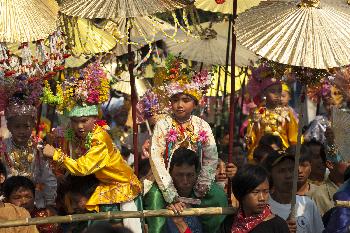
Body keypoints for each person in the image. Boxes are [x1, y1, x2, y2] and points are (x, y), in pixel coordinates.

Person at [42, 63, 142, 233]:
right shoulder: (72, 134)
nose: (79, 126)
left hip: (120, 188)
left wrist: (56, 154)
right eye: (75, 121)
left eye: (84, 120)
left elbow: (83, 167)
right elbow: (68, 159)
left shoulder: (100, 138)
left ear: (95, 118)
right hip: (96, 186)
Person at [148, 55, 227, 233]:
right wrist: (170, 193)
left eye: (185, 100)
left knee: (219, 196)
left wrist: (201, 186)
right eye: (175, 100)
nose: (179, 105)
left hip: (195, 180)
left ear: (195, 102)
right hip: (167, 181)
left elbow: (211, 157)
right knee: (153, 198)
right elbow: (156, 157)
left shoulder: (202, 125)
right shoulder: (163, 124)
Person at [2, 94, 57, 209]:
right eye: (17, 127)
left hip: (35, 202)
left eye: (26, 126)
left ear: (33, 125)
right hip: (7, 203)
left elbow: (48, 178)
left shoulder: (39, 147)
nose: (22, 131)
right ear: (9, 126)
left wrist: (50, 204)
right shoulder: (2, 148)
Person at [245, 63, 299, 160]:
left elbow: (294, 138)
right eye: (273, 91)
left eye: (279, 91)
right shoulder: (257, 112)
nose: (277, 95)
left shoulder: (287, 113)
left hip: (282, 156)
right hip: (261, 156)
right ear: (264, 92)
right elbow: (251, 137)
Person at [264, 149, 324, 233]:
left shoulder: (308, 204)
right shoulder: (263, 207)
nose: (288, 175)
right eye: (281, 171)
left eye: (291, 169)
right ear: (270, 174)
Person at [220, 164, 289, 233]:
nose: (262, 198)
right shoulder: (229, 223)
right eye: (255, 192)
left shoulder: (277, 226)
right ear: (241, 193)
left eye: (266, 192)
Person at [166, 148, 204, 233]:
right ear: (170, 174)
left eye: (190, 175)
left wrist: (180, 223)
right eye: (179, 175)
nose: (185, 181)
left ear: (197, 175)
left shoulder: (205, 199)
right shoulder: (158, 200)